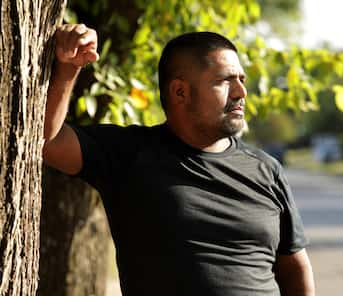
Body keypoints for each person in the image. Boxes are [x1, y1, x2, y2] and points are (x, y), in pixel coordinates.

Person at [44, 24, 315, 296]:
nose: (241, 92)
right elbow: (49, 143)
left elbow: (294, 267)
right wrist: (69, 68)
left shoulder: (266, 169)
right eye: (225, 80)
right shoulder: (129, 154)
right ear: (180, 92)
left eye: (242, 80)